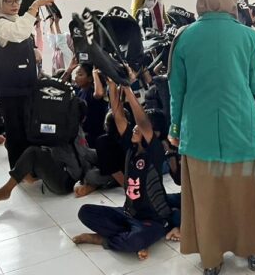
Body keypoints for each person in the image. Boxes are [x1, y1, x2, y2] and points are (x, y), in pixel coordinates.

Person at [168, 0, 255, 274]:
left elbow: (177, 90)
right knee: (247, 196)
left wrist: (175, 129)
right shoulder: (250, 37)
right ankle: (252, 250)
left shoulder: (184, 37)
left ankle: (211, 259)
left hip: (198, 134)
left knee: (207, 199)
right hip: (243, 130)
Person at [73, 81, 181, 260]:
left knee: (135, 240)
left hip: (153, 220)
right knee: (85, 212)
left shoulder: (154, 153)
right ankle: (129, 234)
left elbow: (142, 121)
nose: (136, 127)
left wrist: (128, 89)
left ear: (154, 134)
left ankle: (104, 240)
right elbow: (118, 116)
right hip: (127, 213)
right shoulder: (130, 146)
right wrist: (113, 84)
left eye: (142, 126)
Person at [0, 0, 54, 168]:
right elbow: (17, 34)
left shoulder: (14, 19)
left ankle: (28, 166)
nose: (14, 4)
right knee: (15, 130)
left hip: (23, 84)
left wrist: (33, 50)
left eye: (17, 0)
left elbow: (21, 40)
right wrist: (34, 7)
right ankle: (18, 169)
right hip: (9, 88)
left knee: (26, 127)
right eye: (8, 0)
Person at [0, 100, 91, 202]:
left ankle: (6, 190)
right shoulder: (72, 128)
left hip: (65, 182)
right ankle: (28, 175)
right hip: (65, 172)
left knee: (32, 151)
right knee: (16, 143)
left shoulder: (65, 131)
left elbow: (42, 133)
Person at [64, 61, 108, 148]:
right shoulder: (79, 91)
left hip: (94, 137)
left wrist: (95, 73)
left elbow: (99, 93)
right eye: (76, 74)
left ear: (90, 78)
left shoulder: (91, 92)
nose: (76, 77)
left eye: (80, 75)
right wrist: (70, 69)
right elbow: (60, 85)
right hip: (82, 135)